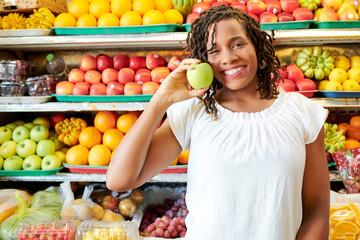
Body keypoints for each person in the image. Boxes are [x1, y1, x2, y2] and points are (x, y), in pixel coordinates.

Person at [106, 5, 330, 240]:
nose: (228, 57)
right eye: (214, 51)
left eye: (238, 44)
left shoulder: (302, 113)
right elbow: (119, 179)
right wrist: (161, 100)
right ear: (203, 61)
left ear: (257, 46)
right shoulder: (194, 112)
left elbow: (317, 212)